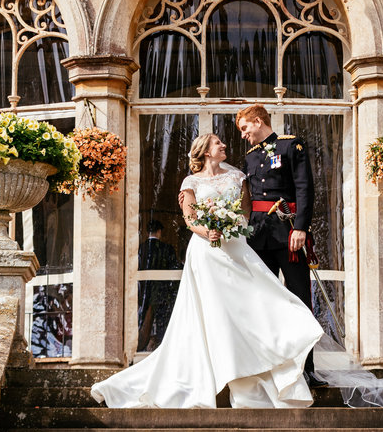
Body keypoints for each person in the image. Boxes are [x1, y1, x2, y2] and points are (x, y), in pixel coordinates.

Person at [91, 133, 324, 408]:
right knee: (214, 311)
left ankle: (270, 355)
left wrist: (232, 227)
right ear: (205, 151)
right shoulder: (190, 182)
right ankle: (221, 367)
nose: (224, 145)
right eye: (218, 143)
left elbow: (247, 211)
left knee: (254, 302)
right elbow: (190, 219)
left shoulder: (238, 176)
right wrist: (209, 231)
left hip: (236, 246)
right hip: (205, 251)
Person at [236, 104, 326, 389]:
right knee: (261, 302)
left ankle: (306, 369)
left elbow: (304, 188)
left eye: (245, 128)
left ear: (258, 121)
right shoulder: (250, 158)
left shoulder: (291, 146)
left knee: (300, 299)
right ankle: (268, 368)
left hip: (288, 234)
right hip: (259, 237)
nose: (243, 135)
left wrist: (300, 227)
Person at [137, 219, 182, 351]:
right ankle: (163, 347)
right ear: (159, 231)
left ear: (146, 232)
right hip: (162, 291)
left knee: (143, 319)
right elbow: (174, 268)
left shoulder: (140, 248)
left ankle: (141, 346)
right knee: (162, 320)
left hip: (144, 291)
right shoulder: (167, 248)